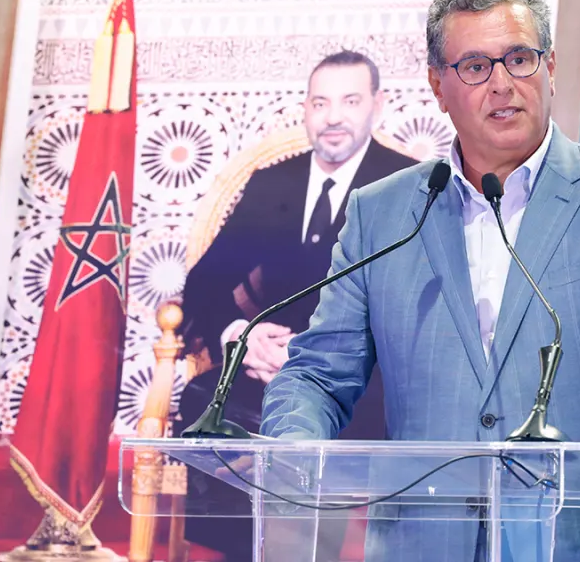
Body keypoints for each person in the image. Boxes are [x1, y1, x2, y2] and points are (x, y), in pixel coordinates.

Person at [261, 0, 580, 562]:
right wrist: (291, 451)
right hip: (428, 545)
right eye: (476, 66)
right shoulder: (380, 214)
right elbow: (317, 372)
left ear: (550, 67)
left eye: (520, 58)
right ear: (438, 86)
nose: (503, 83)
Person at [178, 49, 418, 557]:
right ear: (305, 110)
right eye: (320, 103)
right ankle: (239, 553)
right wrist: (243, 338)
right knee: (204, 401)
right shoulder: (273, 184)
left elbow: (418, 307)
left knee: (329, 427)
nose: (333, 117)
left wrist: (320, 358)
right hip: (265, 372)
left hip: (360, 379)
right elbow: (203, 285)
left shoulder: (407, 183)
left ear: (377, 105)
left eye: (350, 101)